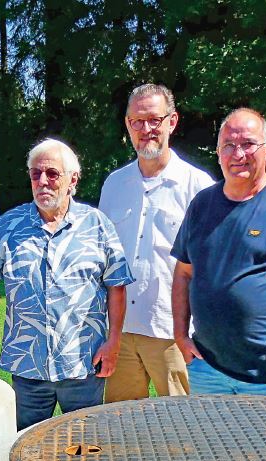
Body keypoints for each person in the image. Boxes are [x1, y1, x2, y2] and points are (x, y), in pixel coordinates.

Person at [0, 139, 134, 429]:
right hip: (27, 367)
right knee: (24, 450)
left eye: (52, 174)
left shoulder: (98, 225)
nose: (43, 181)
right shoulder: (7, 226)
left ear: (72, 180)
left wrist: (114, 340)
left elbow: (116, 287)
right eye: (35, 174)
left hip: (82, 364)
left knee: (84, 447)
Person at [171, 108, 266, 397]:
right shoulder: (201, 204)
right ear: (218, 152)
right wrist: (180, 336)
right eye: (228, 145)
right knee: (207, 443)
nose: (238, 153)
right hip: (207, 368)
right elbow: (183, 273)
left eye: (247, 144)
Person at [99, 83, 215, 402]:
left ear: (172, 122)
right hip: (120, 333)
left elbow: (210, 269)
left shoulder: (199, 187)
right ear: (127, 124)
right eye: (137, 121)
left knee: (181, 430)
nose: (146, 129)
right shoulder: (114, 184)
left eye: (154, 120)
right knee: (118, 427)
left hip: (173, 334)